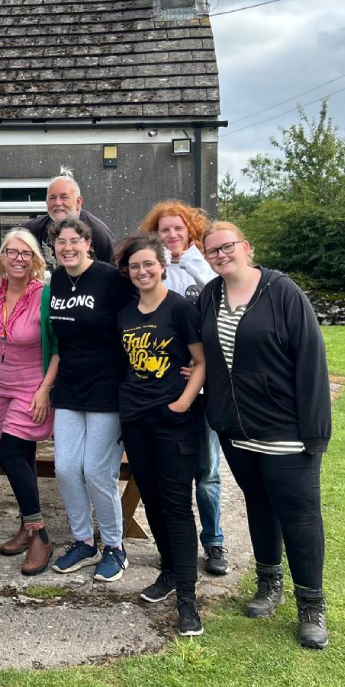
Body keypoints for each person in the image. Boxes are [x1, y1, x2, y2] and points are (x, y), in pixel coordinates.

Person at [198, 222, 331, 650]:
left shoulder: (281, 291)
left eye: (227, 247)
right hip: (237, 431)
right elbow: (206, 356)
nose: (220, 255)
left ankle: (311, 604)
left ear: (245, 247)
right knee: (259, 506)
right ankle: (268, 582)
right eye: (212, 251)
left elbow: (310, 360)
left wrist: (314, 432)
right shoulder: (210, 296)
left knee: (300, 516)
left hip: (286, 431)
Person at [115, 232, 206, 637]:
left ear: (162, 264)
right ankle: (168, 572)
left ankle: (188, 598)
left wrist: (182, 403)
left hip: (174, 420)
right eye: (135, 266)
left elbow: (201, 362)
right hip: (135, 419)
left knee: (176, 505)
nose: (142, 271)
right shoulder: (125, 314)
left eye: (148, 264)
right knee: (150, 499)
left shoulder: (181, 308)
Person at [140, 201, 228, 576]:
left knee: (207, 469)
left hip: (204, 383)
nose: (172, 235)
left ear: (190, 230)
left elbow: (219, 308)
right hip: (166, 386)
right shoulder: (153, 271)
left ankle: (214, 541)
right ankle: (178, 545)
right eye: (164, 230)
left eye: (178, 228)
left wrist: (205, 359)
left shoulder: (205, 266)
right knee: (171, 473)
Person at [47, 218, 136, 581]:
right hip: (69, 387)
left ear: (88, 243)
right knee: (66, 469)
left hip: (108, 388)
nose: (67, 247)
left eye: (74, 241)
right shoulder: (56, 280)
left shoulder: (112, 279)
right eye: (60, 242)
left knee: (97, 472)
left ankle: (115, 546)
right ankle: (84, 541)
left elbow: (139, 320)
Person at [0, 229, 59, 575]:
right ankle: (26, 528)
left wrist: (45, 389)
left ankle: (40, 533)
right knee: (23, 455)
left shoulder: (45, 295)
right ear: (1, 257)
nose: (17, 258)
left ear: (35, 261)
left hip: (31, 387)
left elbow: (59, 348)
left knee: (9, 454)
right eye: (11, 252)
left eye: (25, 253)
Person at [20, 167, 115, 271]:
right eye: (52, 198)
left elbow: (114, 272)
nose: (57, 203)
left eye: (64, 197)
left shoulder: (98, 233)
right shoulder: (34, 229)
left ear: (78, 202)